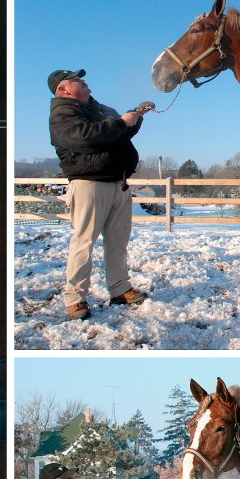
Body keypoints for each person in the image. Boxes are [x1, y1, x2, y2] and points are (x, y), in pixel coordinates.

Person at [48, 68, 149, 321]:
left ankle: (120, 289)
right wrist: (120, 122)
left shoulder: (97, 109)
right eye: (79, 81)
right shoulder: (63, 114)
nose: (86, 85)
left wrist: (135, 117)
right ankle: (76, 298)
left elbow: (119, 133)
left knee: (118, 242)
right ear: (63, 89)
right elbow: (85, 139)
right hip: (90, 185)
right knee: (84, 243)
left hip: (119, 184)